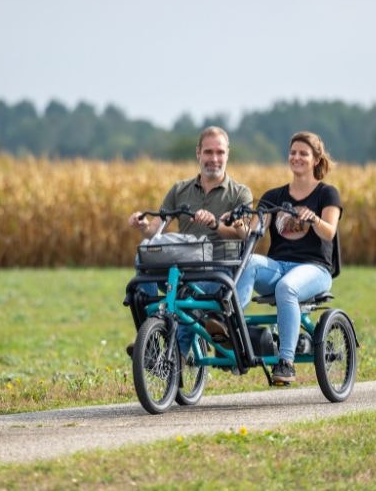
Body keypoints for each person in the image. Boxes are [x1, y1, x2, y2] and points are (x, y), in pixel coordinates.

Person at [126, 126, 252, 356]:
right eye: (208, 152)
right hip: (184, 267)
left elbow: (244, 232)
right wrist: (144, 225)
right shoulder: (180, 190)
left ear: (227, 154)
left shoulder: (240, 194)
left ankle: (176, 357)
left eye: (220, 152)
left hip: (219, 271)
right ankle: (151, 332)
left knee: (186, 297)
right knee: (141, 260)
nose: (214, 158)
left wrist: (217, 224)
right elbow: (157, 229)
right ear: (198, 153)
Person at [234, 131, 342, 385]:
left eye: (303, 153)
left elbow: (329, 231)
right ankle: (233, 329)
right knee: (248, 263)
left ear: (316, 159)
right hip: (278, 266)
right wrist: (242, 229)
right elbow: (255, 232)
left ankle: (286, 362)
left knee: (287, 288)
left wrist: (313, 218)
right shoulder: (273, 197)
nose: (296, 157)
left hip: (315, 269)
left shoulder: (327, 194)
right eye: (293, 152)